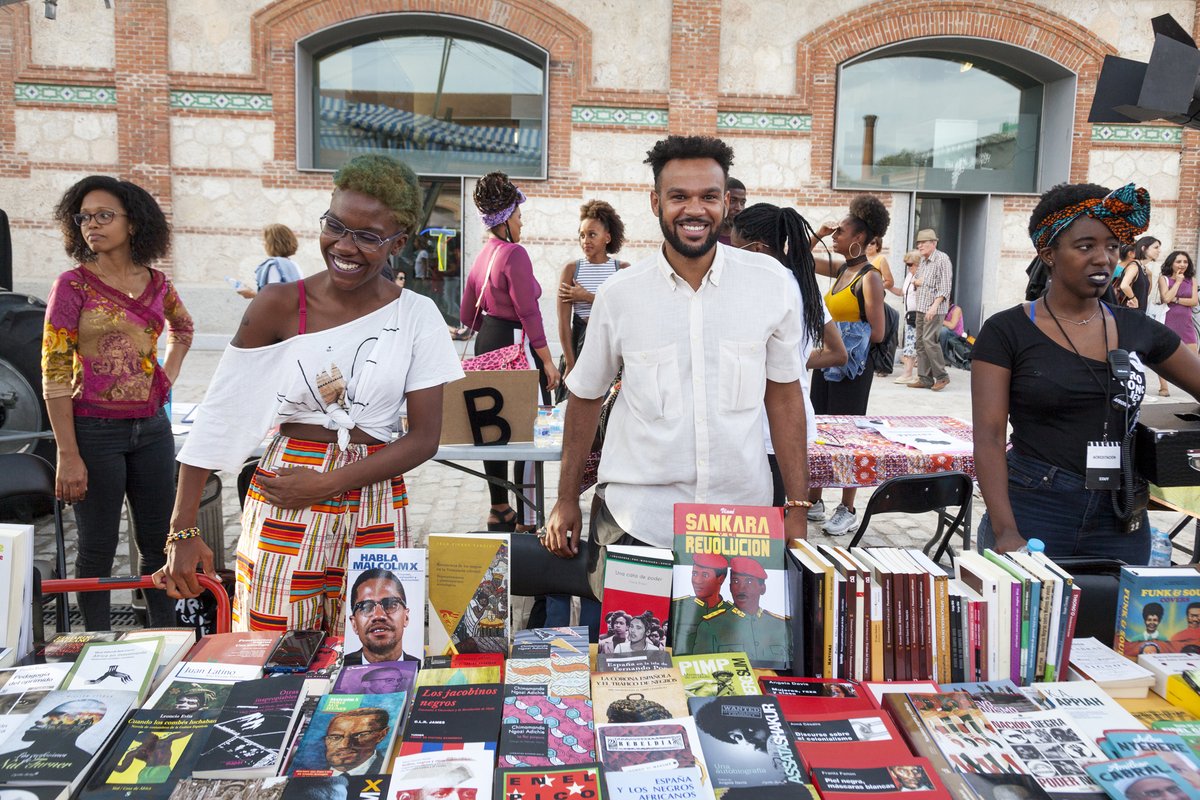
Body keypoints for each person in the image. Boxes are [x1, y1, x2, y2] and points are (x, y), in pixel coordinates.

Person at [155, 154, 464, 633]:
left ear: (398, 243)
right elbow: (221, 417)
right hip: (286, 493)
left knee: (369, 649)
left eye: (368, 236)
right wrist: (183, 528)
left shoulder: (417, 316)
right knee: (273, 643)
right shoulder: (279, 305)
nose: (345, 246)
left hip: (375, 495)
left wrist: (327, 483)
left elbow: (424, 438)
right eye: (336, 226)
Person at [544, 135, 810, 561]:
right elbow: (585, 396)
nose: (694, 210)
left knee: (733, 630)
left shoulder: (772, 285)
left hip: (740, 526)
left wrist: (796, 506)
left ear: (726, 203)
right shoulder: (620, 295)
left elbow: (783, 396)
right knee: (631, 632)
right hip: (639, 522)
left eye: (708, 196)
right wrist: (565, 498)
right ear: (655, 203)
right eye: (678, 196)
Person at [973, 182, 1200, 560]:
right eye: (1085, 247)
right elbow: (990, 438)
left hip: (1121, 513)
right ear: (1049, 254)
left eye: (1112, 247)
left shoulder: (1136, 327)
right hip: (1035, 509)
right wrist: (1006, 531)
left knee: (1112, 618)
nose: (1103, 258)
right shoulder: (1006, 331)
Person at [43, 175, 193, 631]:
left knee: (157, 542)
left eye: (104, 215)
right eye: (85, 217)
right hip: (92, 433)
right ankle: (96, 642)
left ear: (133, 224)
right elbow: (53, 371)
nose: (92, 225)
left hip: (151, 430)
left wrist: (162, 380)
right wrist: (68, 454)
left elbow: (183, 330)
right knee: (98, 545)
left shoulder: (157, 283)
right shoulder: (72, 286)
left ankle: (165, 637)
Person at [460, 172, 561, 533]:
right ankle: (529, 519)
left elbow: (465, 313)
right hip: (516, 346)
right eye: (519, 216)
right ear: (504, 220)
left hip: (488, 341)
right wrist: (547, 360)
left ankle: (499, 509)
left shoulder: (482, 256)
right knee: (527, 433)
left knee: (492, 429)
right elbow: (529, 312)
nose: (522, 221)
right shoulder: (514, 254)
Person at [730, 203, 847, 506]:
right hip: (791, 426)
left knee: (754, 531)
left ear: (756, 249)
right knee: (772, 526)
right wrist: (790, 361)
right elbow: (837, 352)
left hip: (765, 429)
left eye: (734, 249)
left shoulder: (762, 290)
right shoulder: (802, 284)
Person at [806, 195, 890, 536]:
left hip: (851, 369)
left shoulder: (869, 277)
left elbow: (879, 331)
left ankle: (848, 507)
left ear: (858, 239)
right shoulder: (842, 268)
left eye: (841, 231)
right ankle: (814, 500)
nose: (836, 236)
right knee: (820, 429)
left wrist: (846, 341)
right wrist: (819, 234)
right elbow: (796, 258)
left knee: (849, 437)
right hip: (828, 363)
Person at [557, 200, 629, 380]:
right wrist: (570, 363)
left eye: (592, 234)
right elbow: (564, 322)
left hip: (610, 345)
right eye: (582, 235)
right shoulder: (572, 270)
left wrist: (586, 297)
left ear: (607, 237)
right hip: (579, 344)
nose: (585, 241)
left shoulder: (622, 269)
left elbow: (626, 313)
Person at [692, 556, 788, 664]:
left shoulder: (781, 626)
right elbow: (700, 669)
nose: (741, 588)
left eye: (749, 582)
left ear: (763, 588)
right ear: (730, 587)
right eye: (736, 581)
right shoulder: (711, 626)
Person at [343, 569, 420, 665]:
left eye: (390, 604)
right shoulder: (339, 669)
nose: (379, 615)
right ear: (354, 624)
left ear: (406, 617)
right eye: (366, 607)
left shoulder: (422, 670)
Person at [909, 228, 954, 391]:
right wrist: (916, 282)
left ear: (934, 243)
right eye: (918, 243)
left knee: (929, 341)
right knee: (920, 342)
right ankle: (925, 378)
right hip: (921, 307)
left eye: (923, 242)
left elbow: (945, 286)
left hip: (934, 308)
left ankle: (942, 376)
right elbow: (918, 280)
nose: (920, 246)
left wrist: (934, 307)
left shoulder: (942, 259)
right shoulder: (923, 260)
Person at [670, 552, 733, 654]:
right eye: (694, 574)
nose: (697, 581)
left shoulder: (732, 613)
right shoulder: (677, 606)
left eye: (705, 575)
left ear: (720, 579)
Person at [1156, 250, 1197, 396]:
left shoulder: (1192, 279)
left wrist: (1177, 300)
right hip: (1168, 320)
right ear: (1172, 263)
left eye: (1185, 262)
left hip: (1186, 323)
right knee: (1164, 355)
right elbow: (1166, 298)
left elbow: (1194, 301)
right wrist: (1178, 282)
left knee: (1194, 357)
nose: (1182, 265)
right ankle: (1164, 387)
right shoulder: (1164, 279)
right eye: (1178, 261)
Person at [238, 224, 303, 299]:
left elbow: (272, 299)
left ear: (272, 243)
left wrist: (251, 294)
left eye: (265, 240)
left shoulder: (273, 266)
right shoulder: (295, 265)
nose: (263, 244)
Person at [321, 708, 390, 775]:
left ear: (381, 735)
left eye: (361, 735)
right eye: (335, 737)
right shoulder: (316, 773)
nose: (344, 745)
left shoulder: (389, 768)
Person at [891, 250, 921, 384]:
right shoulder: (909, 276)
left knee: (912, 344)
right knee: (911, 344)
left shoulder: (922, 277)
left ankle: (908, 373)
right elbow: (903, 293)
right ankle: (914, 373)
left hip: (917, 315)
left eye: (910, 264)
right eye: (907, 265)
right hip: (909, 315)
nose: (909, 267)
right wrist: (889, 286)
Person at [1118, 235, 1160, 311]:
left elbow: (1146, 293)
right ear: (1143, 248)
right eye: (1156, 247)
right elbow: (1124, 285)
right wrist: (1133, 299)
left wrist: (1150, 275)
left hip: (1139, 312)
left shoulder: (1142, 268)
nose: (1159, 250)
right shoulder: (1134, 266)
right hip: (1129, 312)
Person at [716, 176, 747, 244]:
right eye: (732, 201)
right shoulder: (706, 238)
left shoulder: (746, 241)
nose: (739, 208)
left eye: (742, 203)